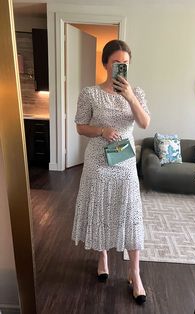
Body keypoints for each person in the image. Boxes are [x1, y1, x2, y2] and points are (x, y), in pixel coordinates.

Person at [72, 39, 150, 305]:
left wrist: (128, 96)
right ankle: (103, 255)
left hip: (125, 161)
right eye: (116, 62)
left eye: (125, 63)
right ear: (105, 63)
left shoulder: (136, 92)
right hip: (97, 160)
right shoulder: (89, 93)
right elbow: (81, 127)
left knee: (130, 211)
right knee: (101, 207)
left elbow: (144, 122)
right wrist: (102, 131)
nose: (121, 67)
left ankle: (134, 272)